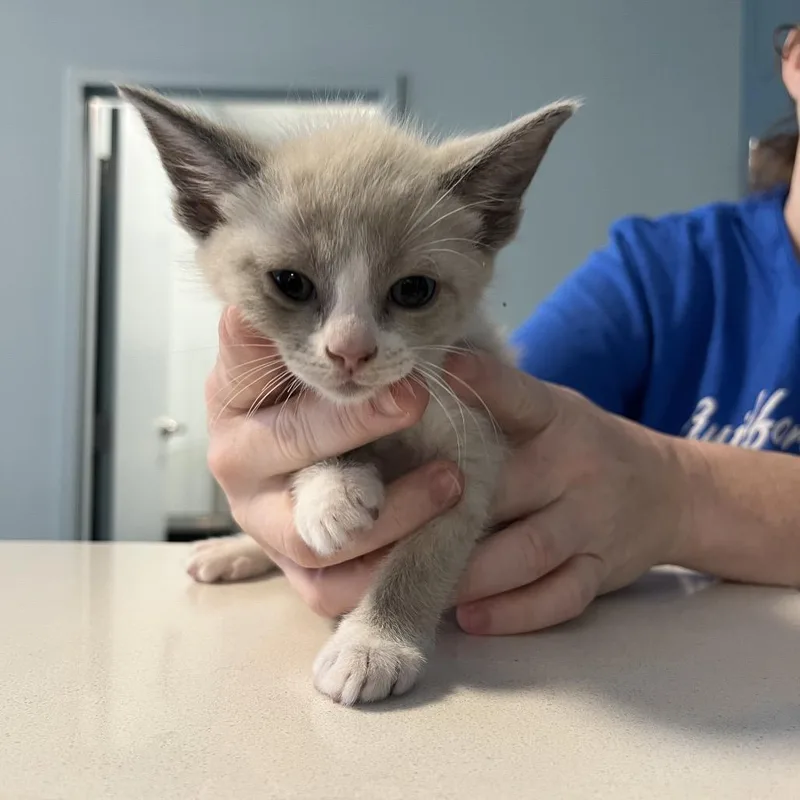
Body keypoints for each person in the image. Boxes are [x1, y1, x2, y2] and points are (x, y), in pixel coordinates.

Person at [205, 25, 800, 635]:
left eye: (412, 291)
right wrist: (279, 491)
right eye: (294, 285)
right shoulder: (663, 274)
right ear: (795, 56)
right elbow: (532, 447)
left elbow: (480, 467)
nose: (347, 346)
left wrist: (679, 494)